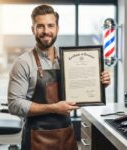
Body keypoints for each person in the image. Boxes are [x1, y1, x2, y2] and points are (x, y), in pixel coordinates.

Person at [8, 4, 110, 150]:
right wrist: (54, 108)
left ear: (57, 28)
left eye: (50, 25)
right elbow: (14, 105)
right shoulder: (23, 63)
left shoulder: (68, 61)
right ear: (33, 29)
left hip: (66, 136)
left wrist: (99, 84)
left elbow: (79, 94)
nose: (46, 31)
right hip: (36, 138)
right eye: (40, 26)